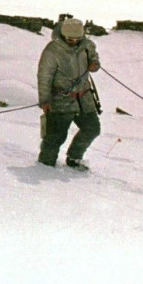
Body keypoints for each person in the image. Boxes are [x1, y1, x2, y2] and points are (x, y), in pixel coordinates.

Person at [37, 17, 101, 171]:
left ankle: (74, 158)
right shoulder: (52, 51)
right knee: (55, 136)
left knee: (92, 129)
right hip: (60, 100)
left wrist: (95, 64)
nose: (73, 41)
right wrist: (45, 100)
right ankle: (45, 165)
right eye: (69, 39)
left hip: (84, 99)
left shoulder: (87, 45)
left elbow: (94, 58)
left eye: (76, 39)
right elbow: (44, 77)